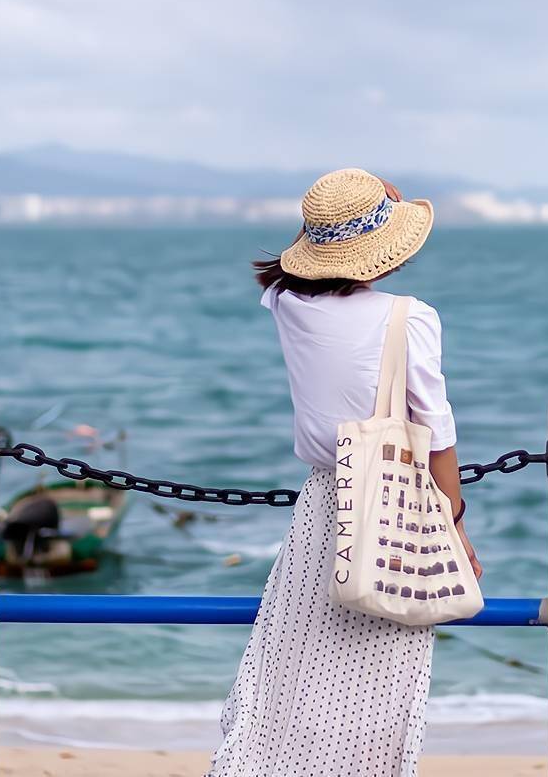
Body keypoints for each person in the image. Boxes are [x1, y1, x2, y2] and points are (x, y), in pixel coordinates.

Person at [208, 168, 481, 777]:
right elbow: (435, 433)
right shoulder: (409, 317)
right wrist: (454, 526)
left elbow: (287, 279)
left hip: (320, 508)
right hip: (395, 500)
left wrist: (365, 207)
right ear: (384, 251)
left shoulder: (286, 303)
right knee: (382, 682)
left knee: (293, 672)